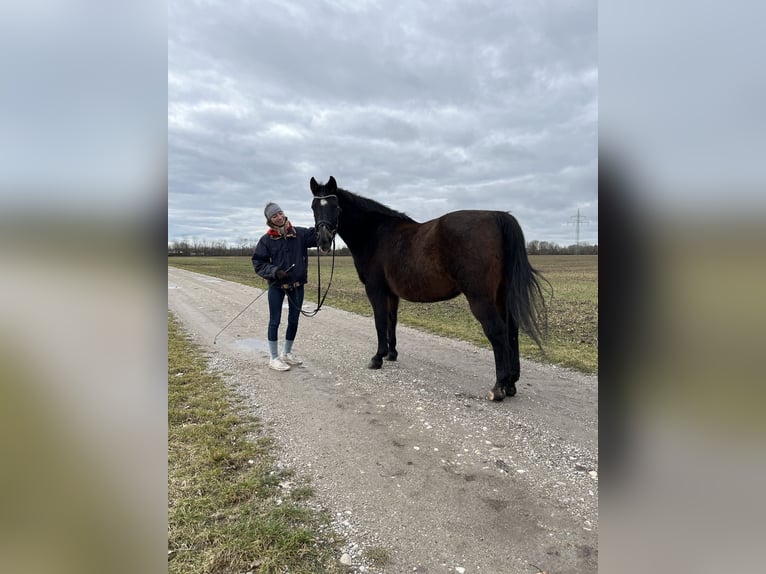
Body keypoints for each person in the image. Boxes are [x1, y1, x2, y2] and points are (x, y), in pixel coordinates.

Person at [252, 202, 318, 371]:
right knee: (275, 321)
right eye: (275, 216)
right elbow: (258, 263)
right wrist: (274, 271)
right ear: (270, 220)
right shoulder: (266, 240)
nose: (279, 217)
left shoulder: (300, 234)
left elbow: (319, 234)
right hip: (276, 287)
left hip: (297, 286)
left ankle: (286, 353)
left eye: (280, 213)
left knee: (294, 320)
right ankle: (273, 358)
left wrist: (327, 220)